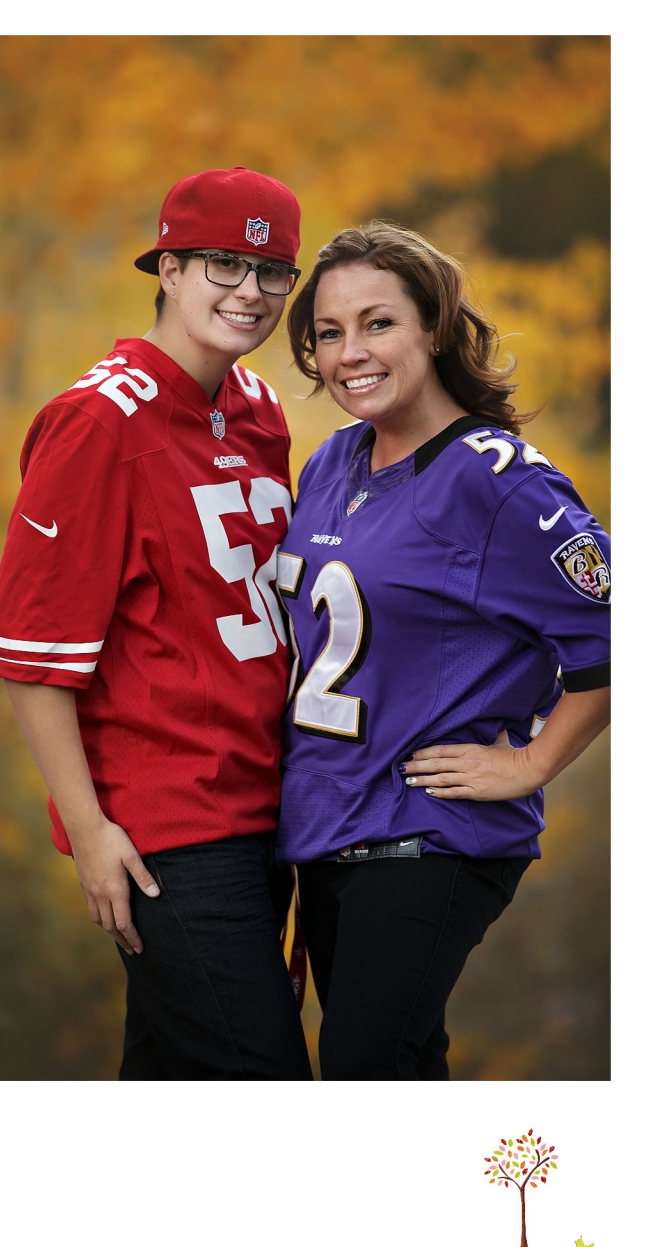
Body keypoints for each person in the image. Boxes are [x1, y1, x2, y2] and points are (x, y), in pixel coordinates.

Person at [0, 167, 312, 1080]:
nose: (250, 292)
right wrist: (92, 833)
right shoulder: (97, 422)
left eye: (272, 271)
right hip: (171, 831)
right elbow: (32, 657)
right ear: (166, 268)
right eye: (220, 263)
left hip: (266, 809)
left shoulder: (261, 409)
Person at [278, 220, 610, 1080]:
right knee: (396, 1070)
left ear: (432, 325)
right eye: (328, 331)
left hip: (428, 836)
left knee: (364, 1070)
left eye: (378, 322)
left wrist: (531, 763)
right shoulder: (330, 464)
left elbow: (612, 631)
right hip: (330, 829)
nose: (351, 351)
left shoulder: (496, 480)